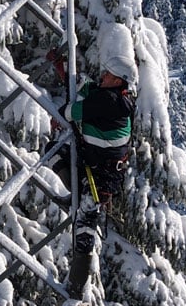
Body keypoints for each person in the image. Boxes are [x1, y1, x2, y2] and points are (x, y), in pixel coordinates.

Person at [52, 52, 137, 209]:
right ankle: (78, 196)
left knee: (86, 222)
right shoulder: (117, 98)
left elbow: (69, 112)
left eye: (108, 74)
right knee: (56, 151)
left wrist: (57, 117)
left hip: (99, 174)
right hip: (103, 169)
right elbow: (86, 87)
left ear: (117, 81)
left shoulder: (107, 101)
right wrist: (64, 68)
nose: (103, 76)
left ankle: (79, 195)